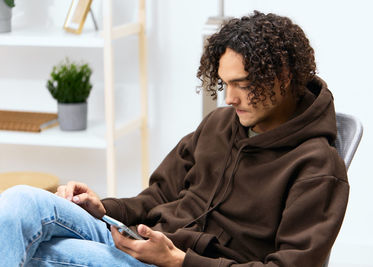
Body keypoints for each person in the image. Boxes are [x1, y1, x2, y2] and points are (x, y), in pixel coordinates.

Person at [0, 11, 349, 267]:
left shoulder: (317, 166)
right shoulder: (218, 125)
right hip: (146, 242)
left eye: (243, 85)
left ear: (284, 77)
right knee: (19, 202)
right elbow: (158, 195)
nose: (230, 99)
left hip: (178, 264)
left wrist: (179, 261)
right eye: (225, 84)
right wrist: (104, 208)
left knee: (46, 252)